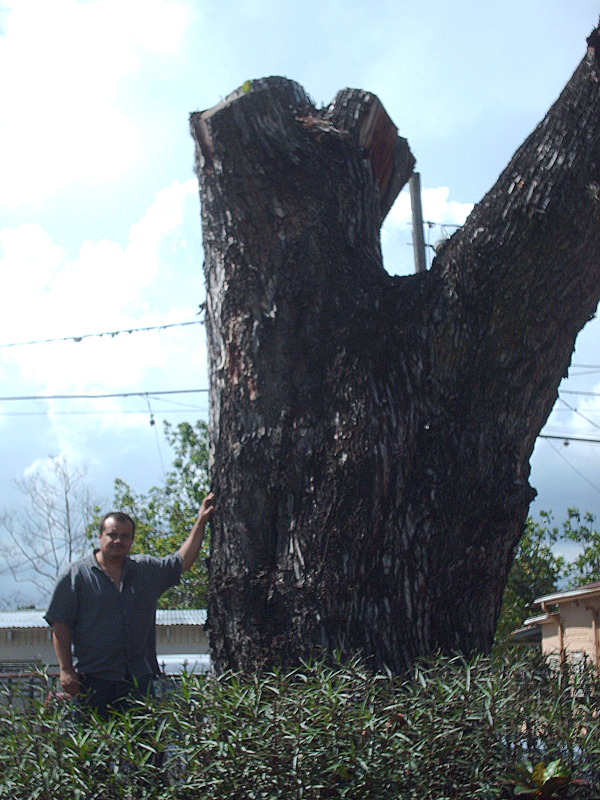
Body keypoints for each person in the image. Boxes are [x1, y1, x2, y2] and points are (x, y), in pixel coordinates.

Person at [44, 493, 214, 714]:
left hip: (137, 680)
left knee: (141, 745)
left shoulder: (145, 571)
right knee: (96, 745)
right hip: (92, 680)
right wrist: (66, 670)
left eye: (125, 536)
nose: (118, 541)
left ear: (132, 540)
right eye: (112, 535)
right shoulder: (76, 576)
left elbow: (181, 562)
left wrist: (201, 521)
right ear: (99, 536)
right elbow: (60, 624)